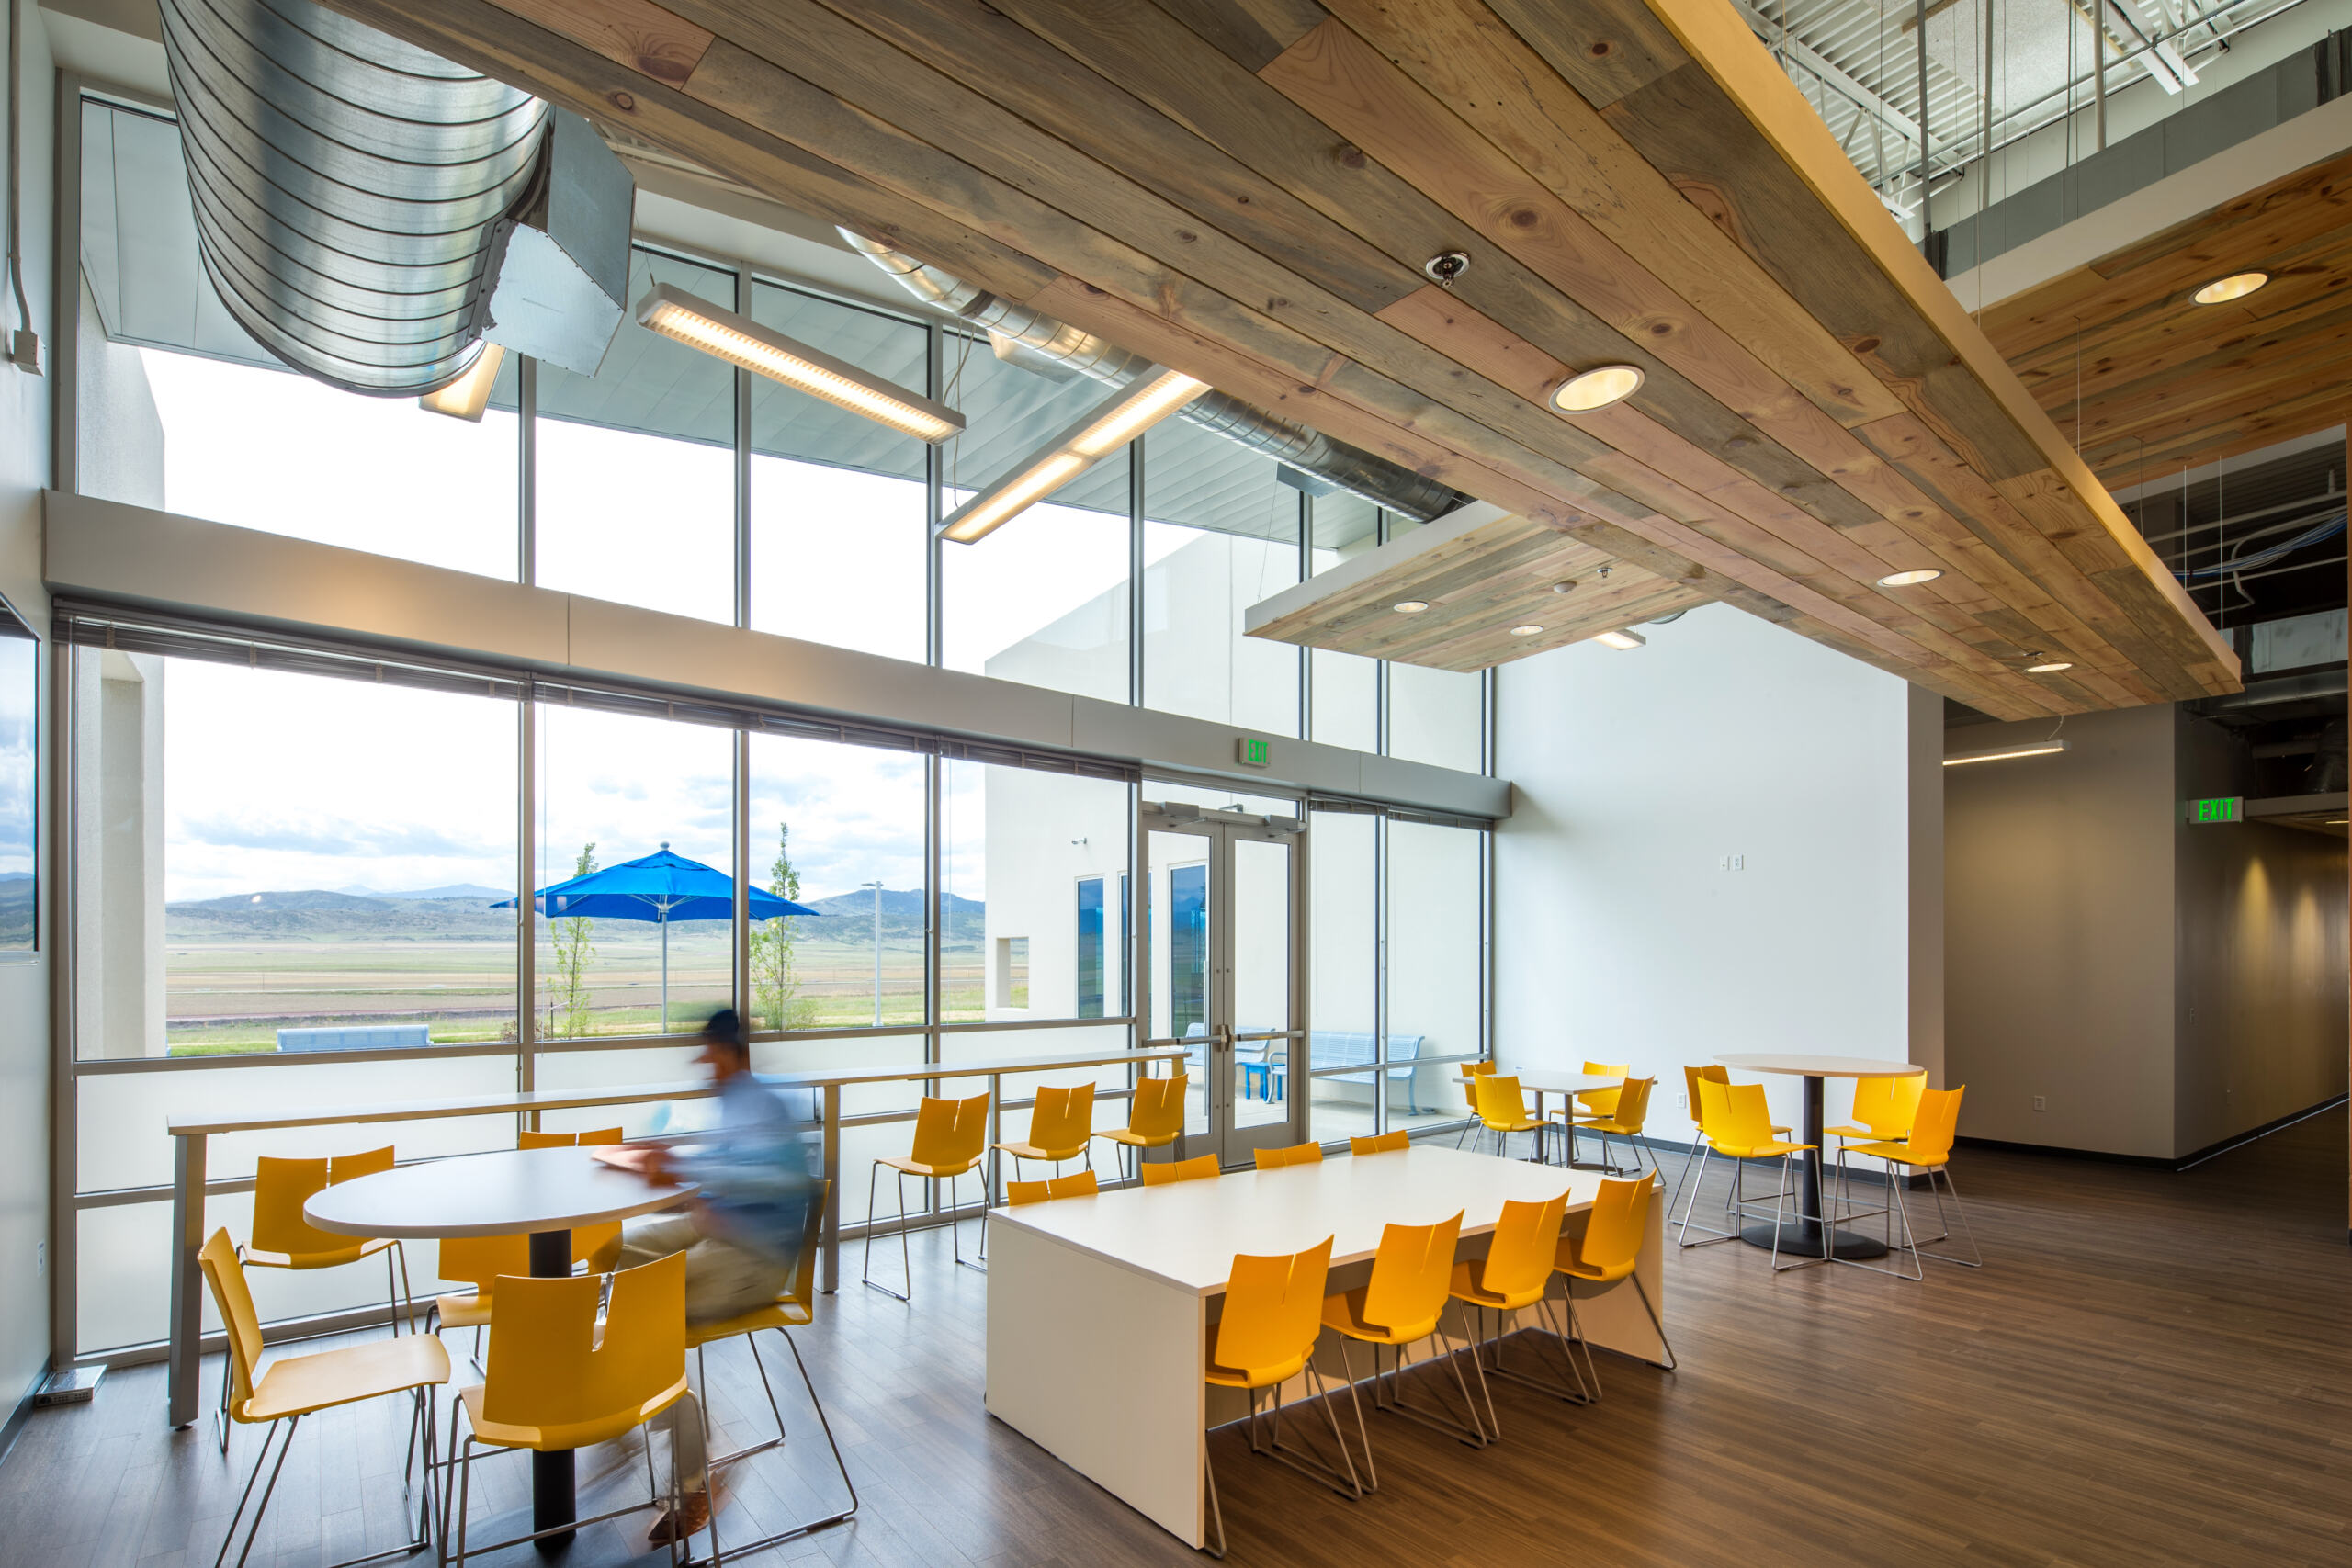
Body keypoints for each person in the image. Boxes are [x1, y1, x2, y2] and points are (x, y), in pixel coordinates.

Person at [617, 1008, 820, 1544]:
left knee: (651, 1311)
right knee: (623, 1249)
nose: (701, 1062)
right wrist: (674, 1158)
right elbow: (727, 1162)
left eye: (708, 1052)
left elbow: (777, 1178)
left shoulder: (767, 1103)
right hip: (716, 1227)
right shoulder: (731, 1101)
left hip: (755, 1255)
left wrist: (686, 1169)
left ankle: (694, 1479)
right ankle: (627, 1404)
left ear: (730, 1053)